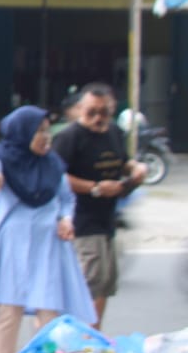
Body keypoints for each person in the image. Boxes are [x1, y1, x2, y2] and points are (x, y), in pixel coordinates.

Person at [0, 106, 93, 353]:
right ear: (23, 132)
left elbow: (66, 198)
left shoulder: (52, 164)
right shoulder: (2, 157)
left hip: (47, 245)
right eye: (39, 131)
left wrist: (65, 218)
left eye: (46, 130)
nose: (46, 136)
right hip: (12, 246)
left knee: (49, 309)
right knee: (9, 309)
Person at [51, 83, 146, 329]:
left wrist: (135, 169)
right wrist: (94, 187)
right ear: (80, 109)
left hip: (107, 217)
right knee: (88, 282)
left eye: (104, 112)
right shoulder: (69, 137)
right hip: (81, 219)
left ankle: (94, 336)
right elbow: (56, 177)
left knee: (105, 282)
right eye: (91, 111)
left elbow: (122, 161)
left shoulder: (113, 132)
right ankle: (76, 340)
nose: (97, 118)